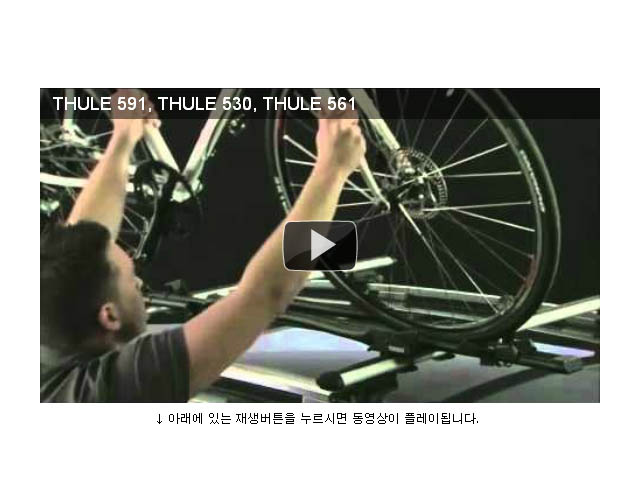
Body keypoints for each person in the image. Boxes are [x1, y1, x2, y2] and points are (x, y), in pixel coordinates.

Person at [40, 89, 365, 402]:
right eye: (130, 278)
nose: (139, 280)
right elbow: (267, 293)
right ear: (109, 316)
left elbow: (85, 241)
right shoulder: (107, 395)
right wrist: (333, 168)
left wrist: (123, 138)